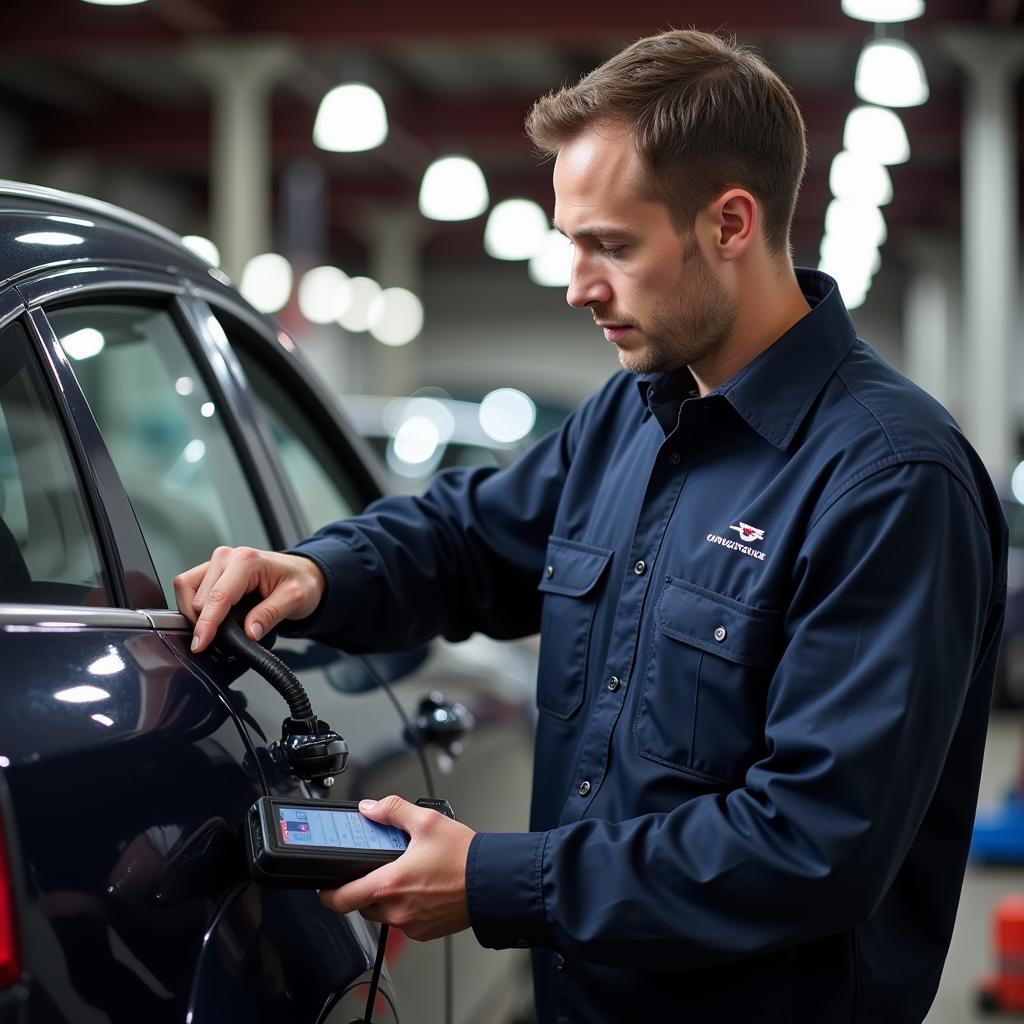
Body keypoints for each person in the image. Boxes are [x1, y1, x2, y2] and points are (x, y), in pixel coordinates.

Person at [176, 29, 1008, 1023]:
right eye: (572, 241)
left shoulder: (888, 480)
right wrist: (319, 573)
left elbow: (811, 842)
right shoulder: (632, 414)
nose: (576, 286)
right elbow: (473, 538)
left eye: (610, 245)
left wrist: (494, 879)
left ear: (730, 223)